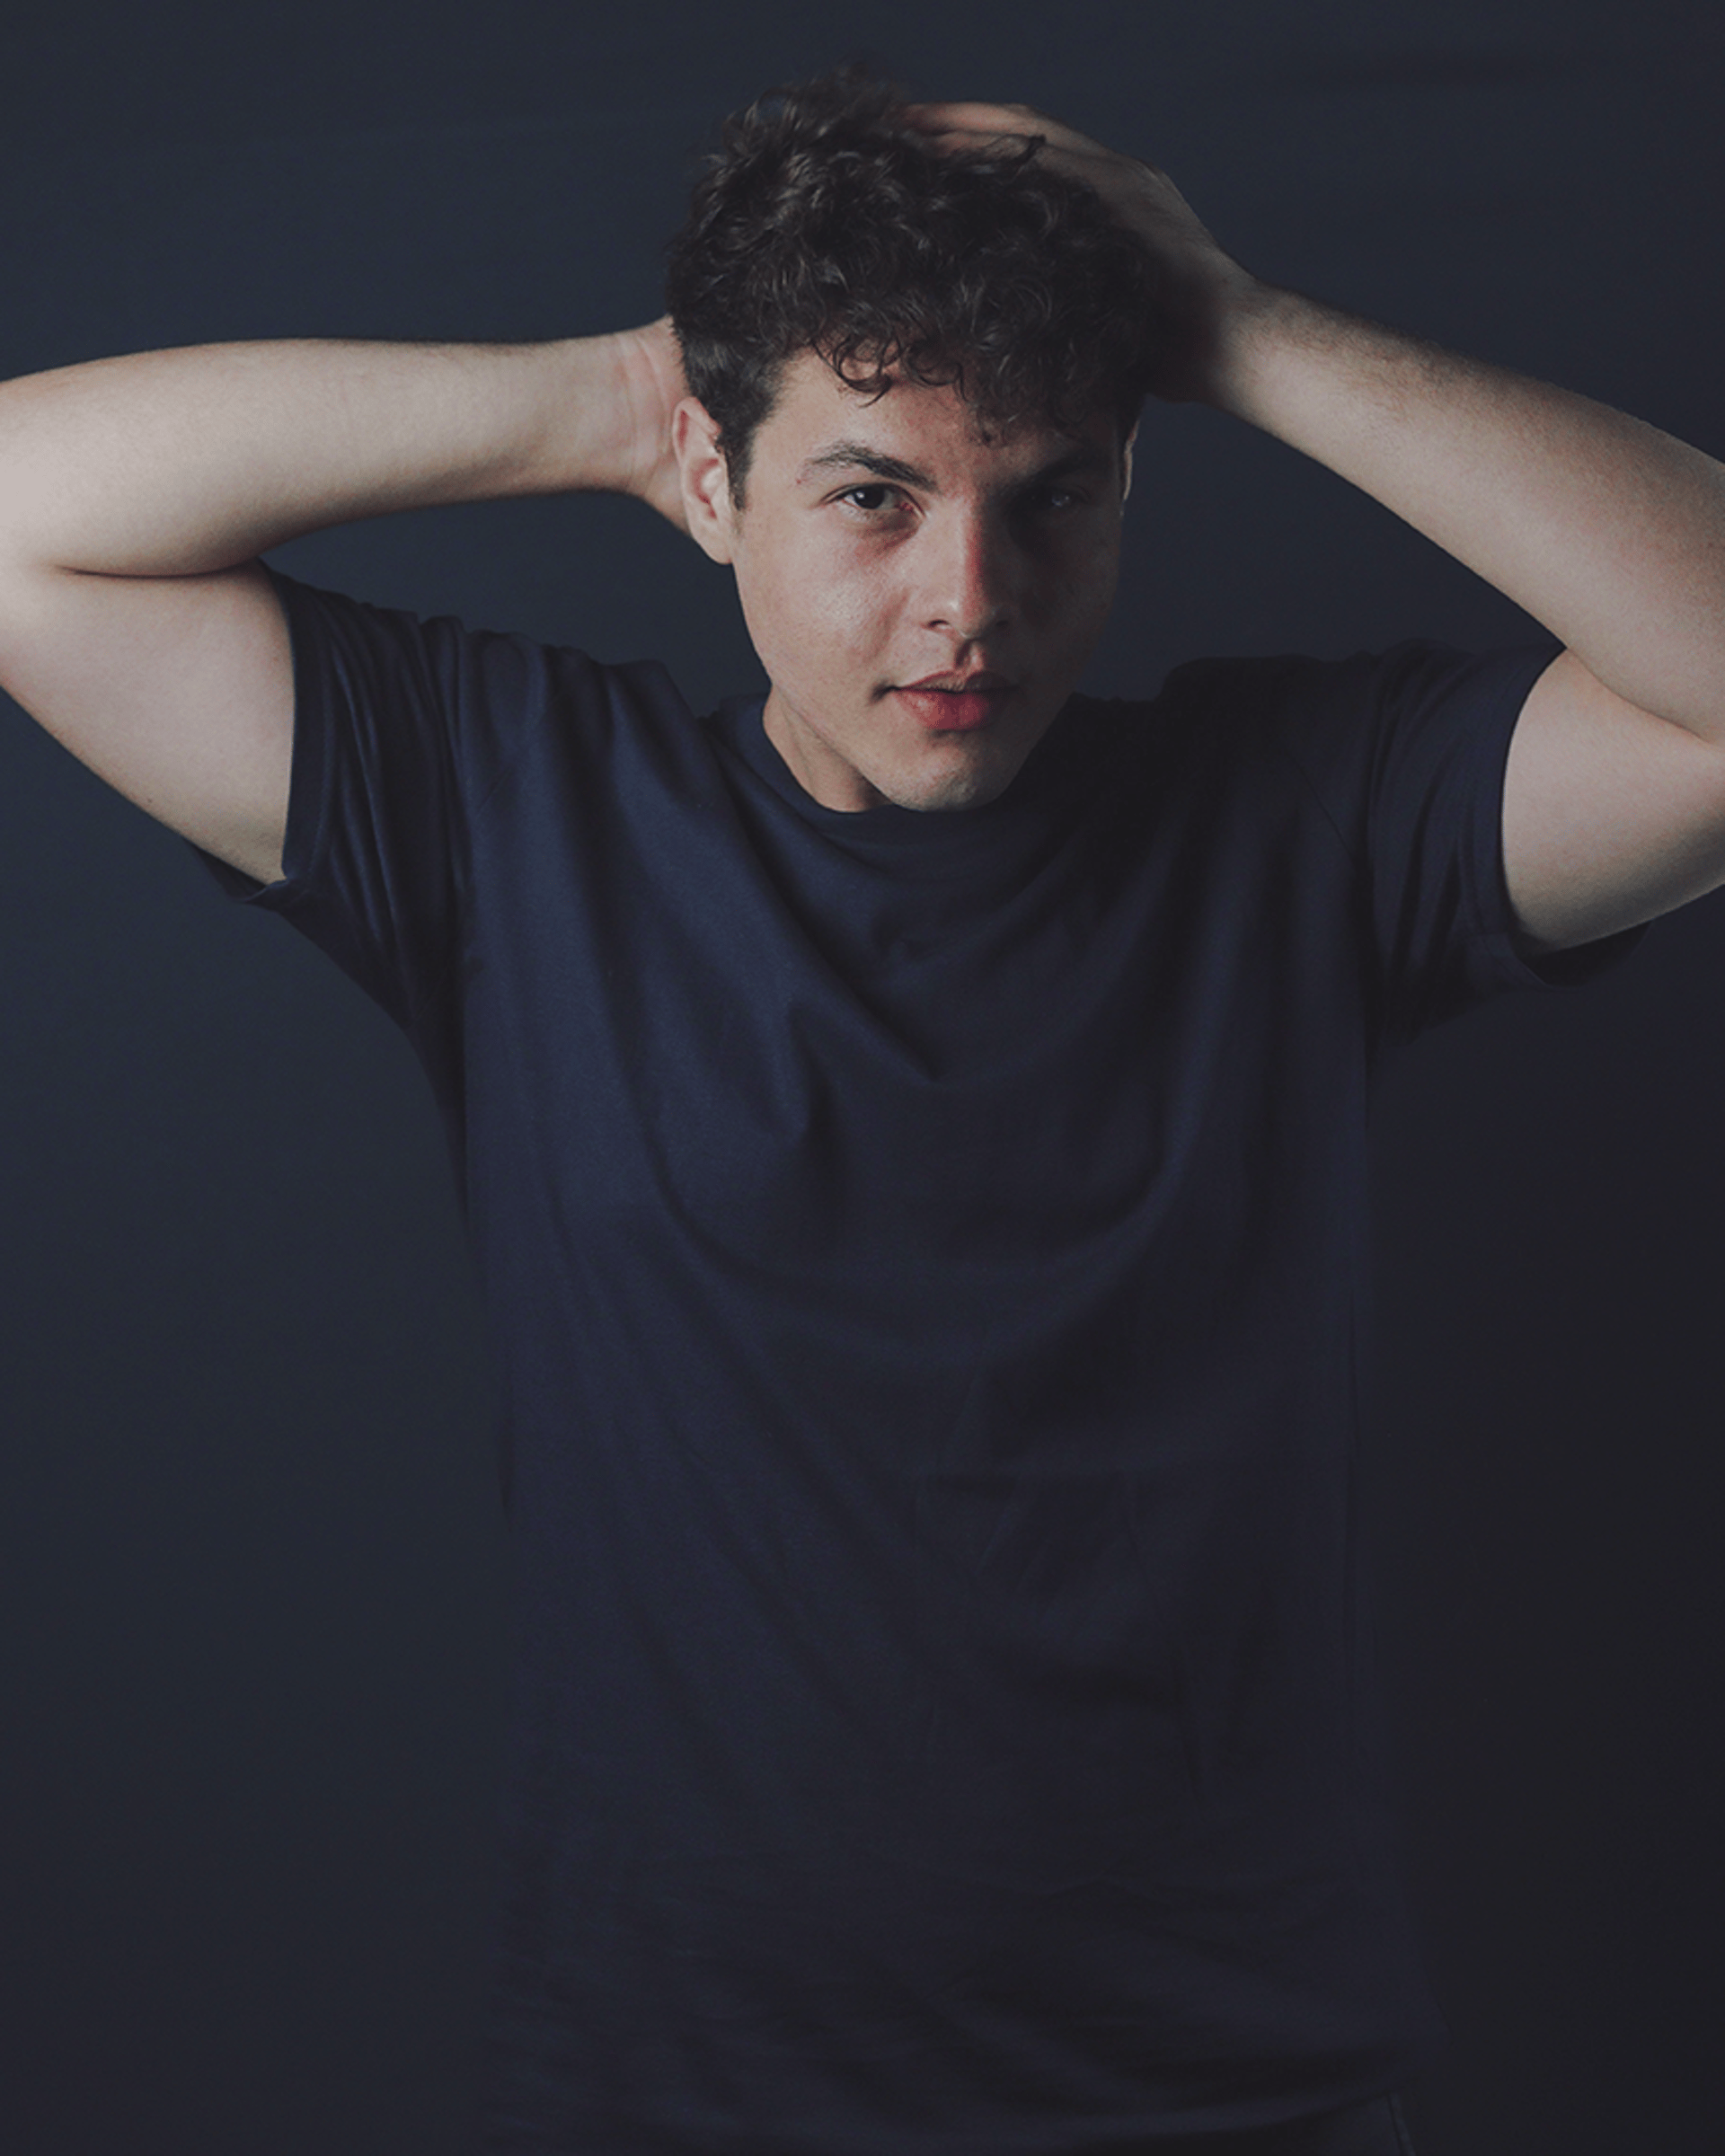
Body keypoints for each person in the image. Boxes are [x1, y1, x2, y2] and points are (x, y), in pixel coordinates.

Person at [0, 65, 1720, 2156]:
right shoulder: (518, 813)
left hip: (1235, 2089)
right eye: (873, 497)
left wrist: (1242, 327)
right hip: (679, 2091)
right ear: (716, 487)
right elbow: (23, 517)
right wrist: (614, 399)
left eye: (1054, 498)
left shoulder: (1307, 818)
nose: (969, 600)